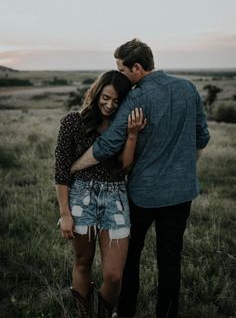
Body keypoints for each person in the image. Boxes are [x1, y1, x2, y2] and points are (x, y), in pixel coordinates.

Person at [70, 39, 211, 318]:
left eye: (121, 70)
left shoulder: (137, 97)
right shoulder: (187, 88)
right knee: (171, 260)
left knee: (131, 258)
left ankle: (126, 313)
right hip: (181, 193)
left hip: (143, 196)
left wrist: (74, 166)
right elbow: (203, 136)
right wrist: (185, 168)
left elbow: (108, 145)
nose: (119, 75)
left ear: (137, 67)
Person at [55, 70, 146, 318]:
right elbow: (62, 172)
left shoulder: (121, 124)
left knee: (114, 275)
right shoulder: (72, 122)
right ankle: (85, 314)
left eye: (117, 101)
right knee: (83, 263)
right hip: (81, 198)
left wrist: (132, 135)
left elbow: (125, 166)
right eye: (106, 97)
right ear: (96, 93)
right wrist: (65, 214)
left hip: (115, 199)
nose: (110, 104)